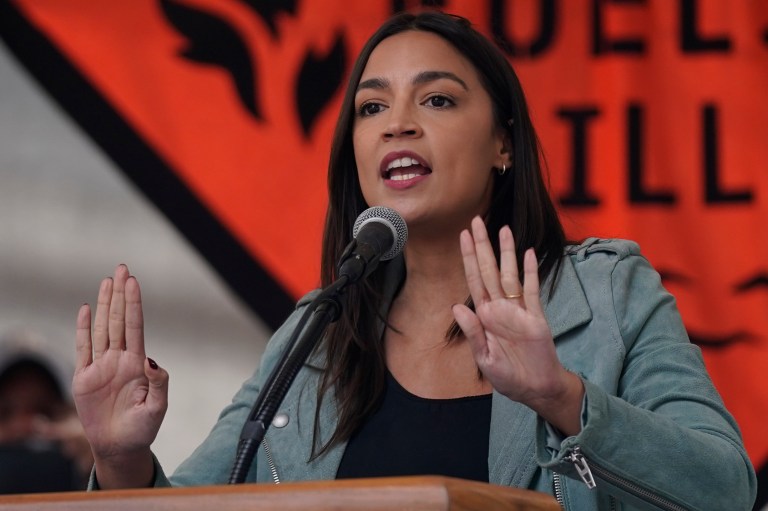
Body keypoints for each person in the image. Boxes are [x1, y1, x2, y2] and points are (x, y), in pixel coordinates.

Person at [72, 11, 756, 510]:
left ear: (503, 146)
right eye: (372, 106)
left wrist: (561, 396)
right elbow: (194, 505)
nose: (397, 122)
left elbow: (726, 488)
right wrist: (122, 457)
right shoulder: (320, 330)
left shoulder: (610, 292)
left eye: (436, 98)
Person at [0, 329, 93, 493]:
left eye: (45, 413)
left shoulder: (95, 470)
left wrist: (104, 473)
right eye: (4, 413)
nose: (25, 426)